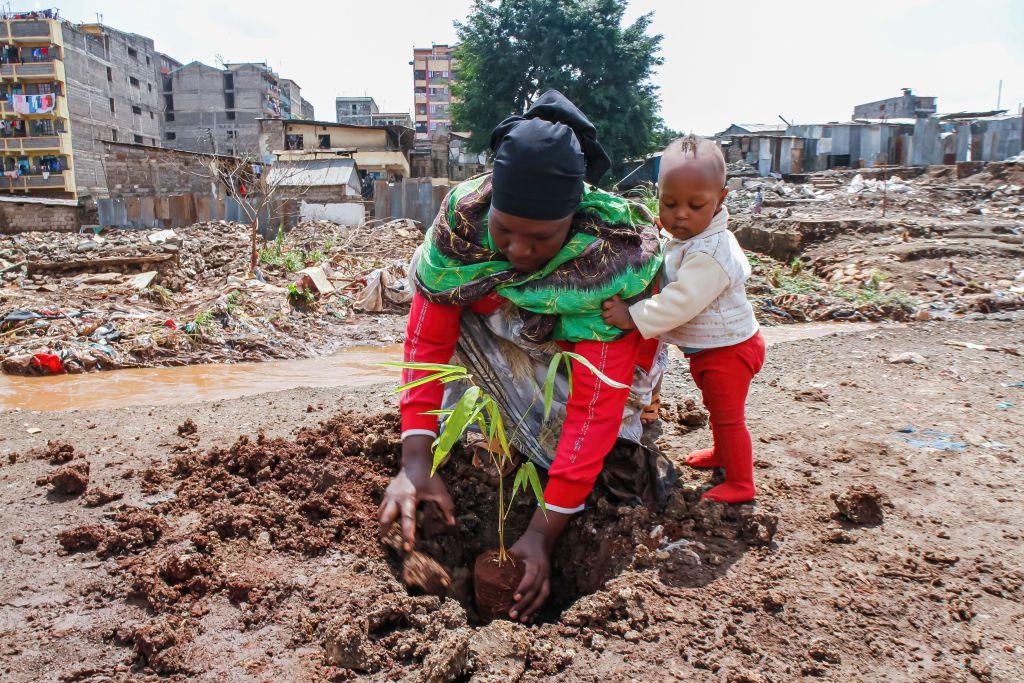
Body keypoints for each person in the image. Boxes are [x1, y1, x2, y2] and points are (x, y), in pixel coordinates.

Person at [378, 90, 673, 622]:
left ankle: (629, 450)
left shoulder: (609, 261)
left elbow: (596, 403)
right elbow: (427, 344)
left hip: (603, 371)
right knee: (449, 303)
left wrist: (542, 533)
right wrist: (415, 461)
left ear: (572, 219)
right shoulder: (462, 233)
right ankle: (503, 441)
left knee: (606, 462)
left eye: (540, 238)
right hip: (519, 339)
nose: (517, 250)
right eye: (505, 229)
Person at [601, 135, 765, 504]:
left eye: (695, 205)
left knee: (728, 416)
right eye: (669, 203)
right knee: (716, 408)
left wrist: (632, 316)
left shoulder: (711, 251)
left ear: (721, 199)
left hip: (731, 350)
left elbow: (681, 301)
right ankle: (723, 456)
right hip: (713, 348)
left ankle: (741, 482)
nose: (680, 215)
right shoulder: (688, 237)